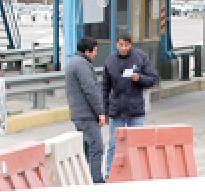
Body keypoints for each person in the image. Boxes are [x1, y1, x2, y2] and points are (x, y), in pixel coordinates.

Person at [101, 33, 158, 174]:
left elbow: (153, 79)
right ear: (116, 44)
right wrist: (104, 111)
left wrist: (139, 78)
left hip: (136, 108)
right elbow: (105, 88)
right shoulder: (110, 61)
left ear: (130, 44)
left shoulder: (140, 57)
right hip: (117, 109)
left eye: (126, 45)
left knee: (137, 143)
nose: (124, 48)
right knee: (114, 144)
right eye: (121, 45)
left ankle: (138, 172)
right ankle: (110, 173)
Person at [64, 36, 107, 183]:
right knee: (96, 147)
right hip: (86, 114)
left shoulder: (73, 62)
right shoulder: (82, 65)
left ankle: (85, 179)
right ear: (88, 51)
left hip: (78, 114)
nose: (95, 54)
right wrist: (100, 112)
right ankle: (96, 180)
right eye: (95, 51)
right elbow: (91, 90)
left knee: (86, 148)